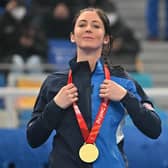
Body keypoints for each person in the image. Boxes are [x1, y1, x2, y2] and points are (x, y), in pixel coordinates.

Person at [26, 7, 161, 168]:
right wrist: (55, 106)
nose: (88, 28)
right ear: (72, 37)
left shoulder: (123, 81)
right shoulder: (54, 83)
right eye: (82, 25)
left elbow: (154, 129)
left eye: (96, 25)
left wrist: (126, 97)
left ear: (106, 38)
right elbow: (33, 138)